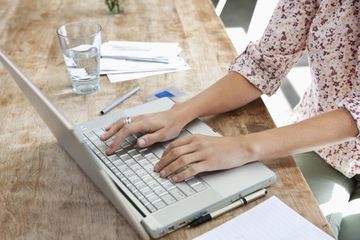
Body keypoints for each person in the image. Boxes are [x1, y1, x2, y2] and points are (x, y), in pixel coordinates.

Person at [101, 0, 359, 239]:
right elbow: (263, 65)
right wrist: (180, 112)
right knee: (264, 221)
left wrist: (241, 146)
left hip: (333, 138)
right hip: (323, 149)